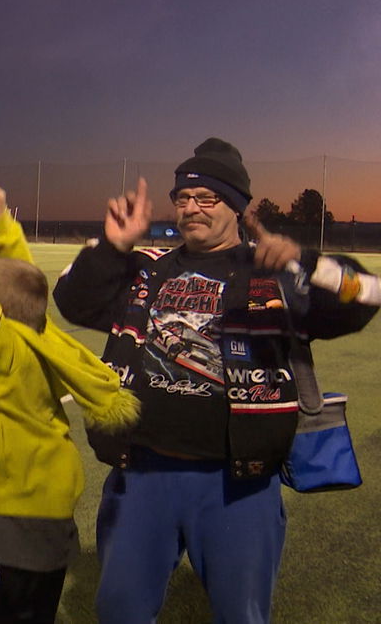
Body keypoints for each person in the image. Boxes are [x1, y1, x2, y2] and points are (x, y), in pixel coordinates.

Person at [53, 137, 378, 623]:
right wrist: (114, 245)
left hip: (237, 485)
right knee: (120, 609)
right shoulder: (147, 268)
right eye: (183, 198)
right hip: (140, 474)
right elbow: (72, 299)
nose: (191, 208)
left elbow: (368, 294)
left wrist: (307, 263)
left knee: (241, 614)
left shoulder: (272, 271)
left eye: (207, 198)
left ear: (237, 207)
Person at [0, 180, 139, 624]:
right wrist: (0, 221)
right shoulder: (37, 332)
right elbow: (20, 278)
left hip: (4, 538)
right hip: (43, 536)